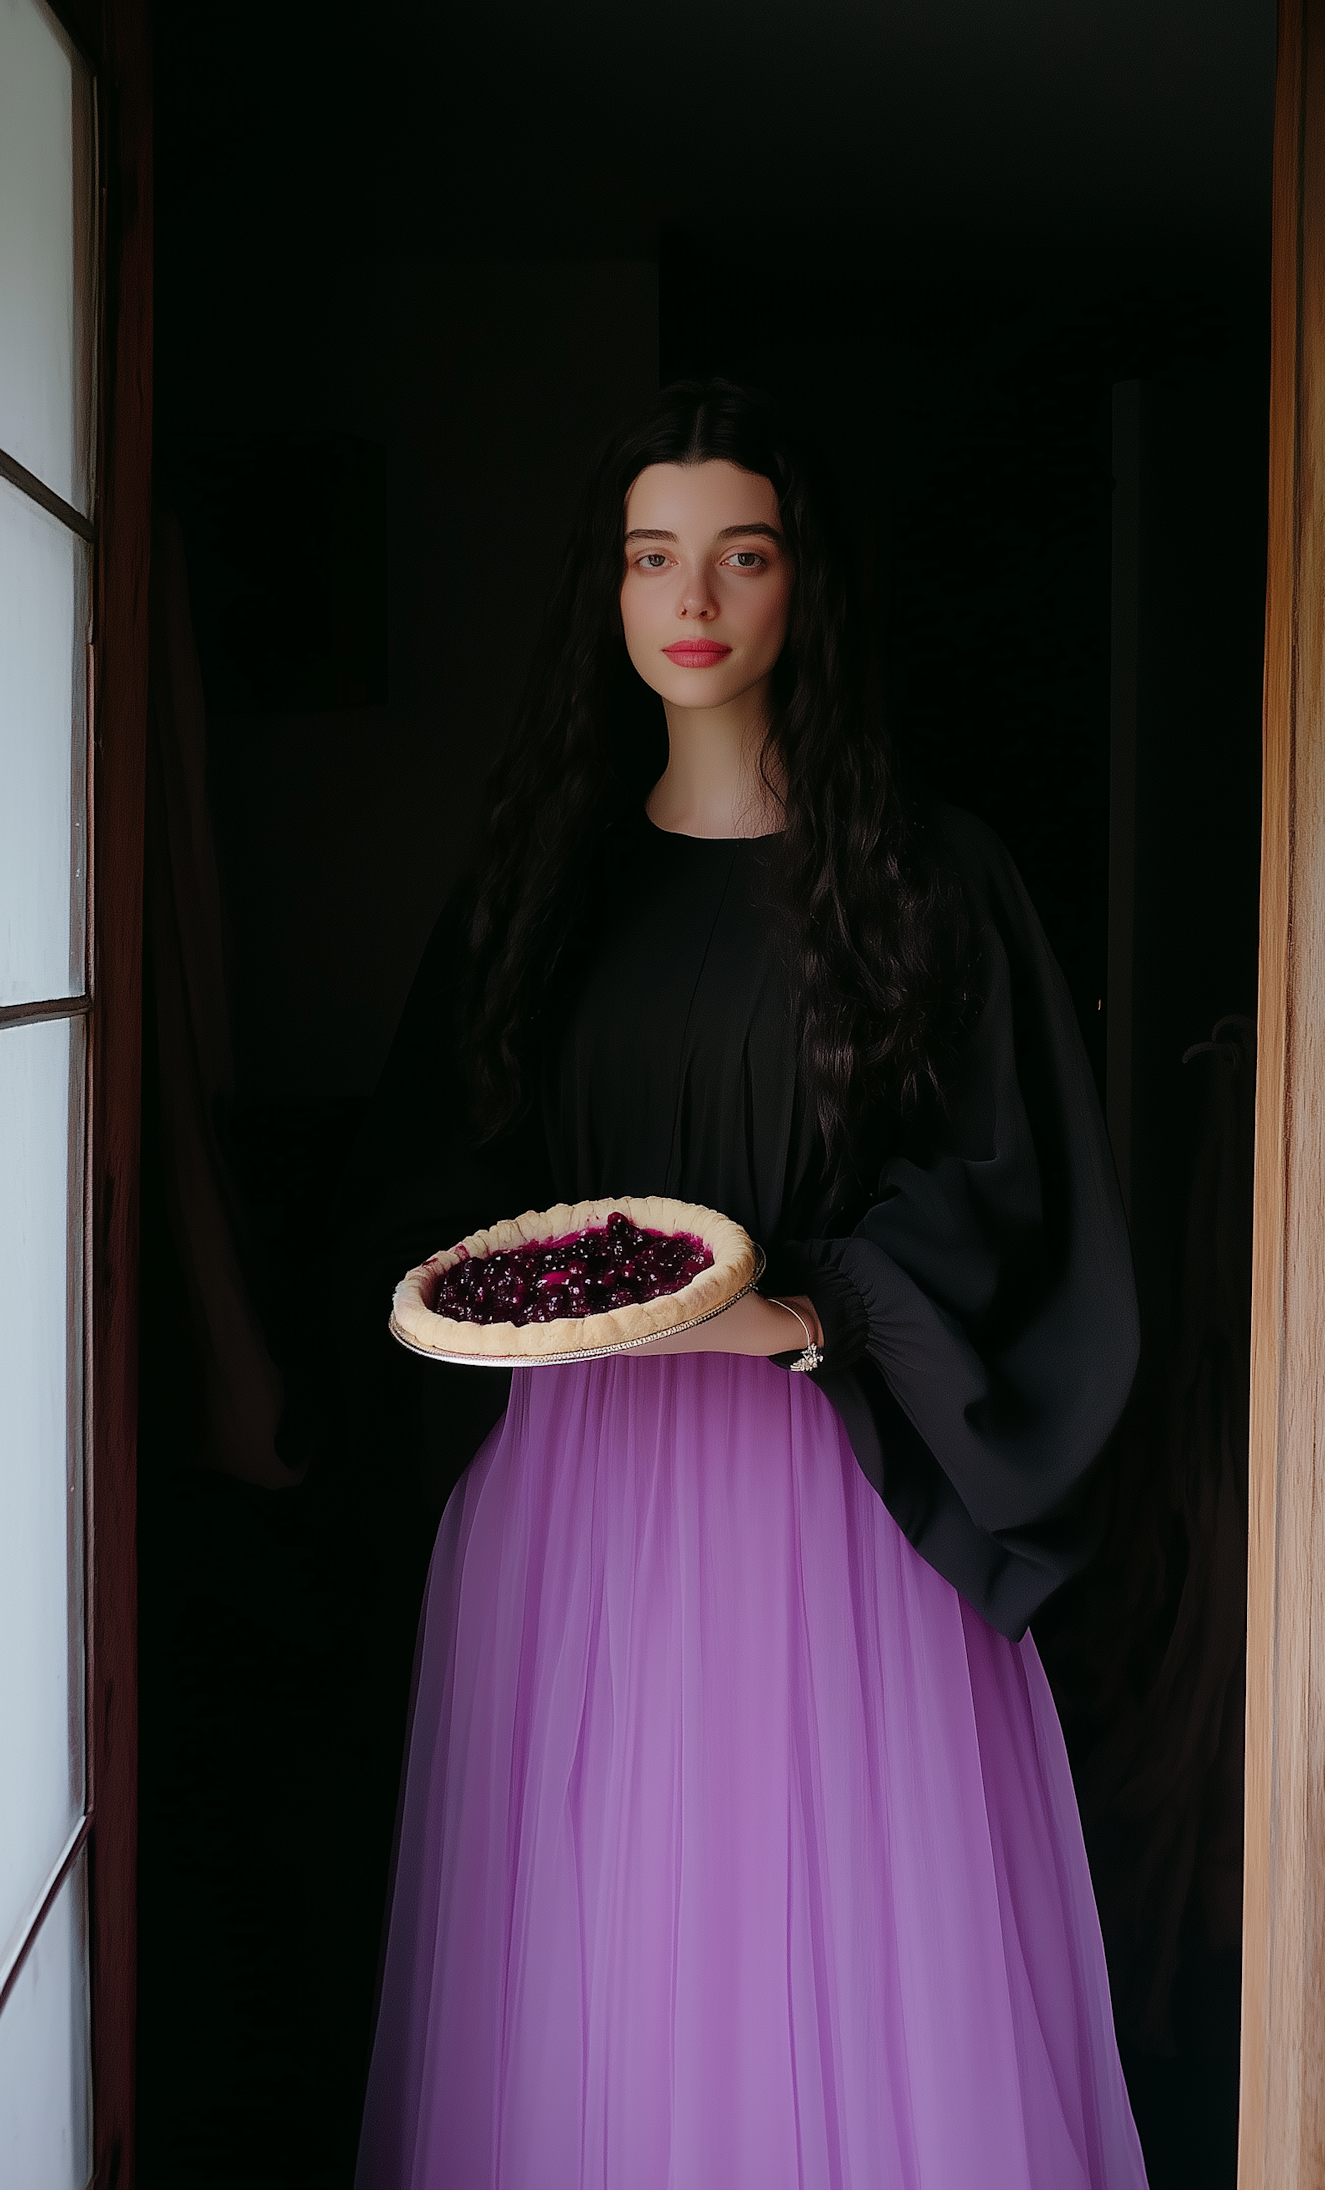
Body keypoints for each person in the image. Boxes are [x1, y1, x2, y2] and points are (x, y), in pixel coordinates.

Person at [352, 380, 1147, 2189]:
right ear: (609, 593)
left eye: (742, 551)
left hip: (833, 1515)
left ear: (805, 586)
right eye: (652, 555)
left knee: (842, 1964)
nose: (692, 596)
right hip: (571, 1502)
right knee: (597, 1966)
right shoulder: (533, 877)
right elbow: (429, 1165)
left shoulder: (931, 880)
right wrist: (514, 1279)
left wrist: (806, 1309)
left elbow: (1014, 1188)